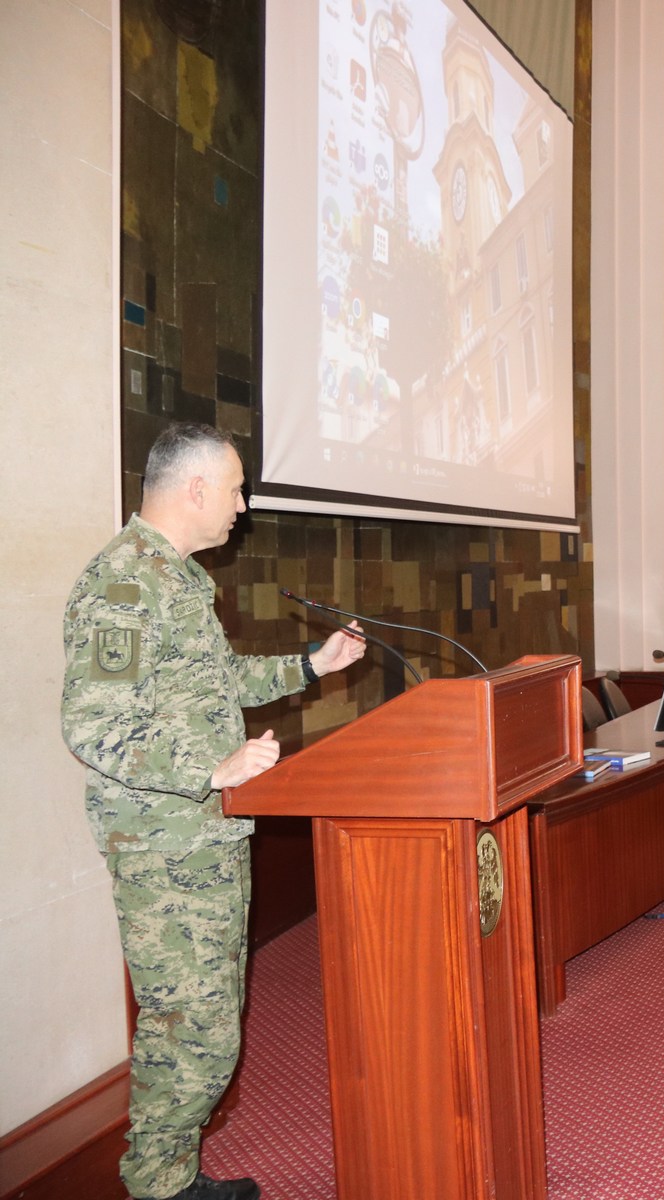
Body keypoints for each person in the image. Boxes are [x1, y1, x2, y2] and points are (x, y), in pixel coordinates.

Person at [61, 424, 367, 1200]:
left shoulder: (176, 578)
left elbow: (214, 680)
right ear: (193, 489)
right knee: (188, 1031)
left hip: (204, 836)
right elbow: (95, 726)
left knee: (206, 1029)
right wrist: (211, 766)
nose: (242, 505)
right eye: (234, 489)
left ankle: (172, 1177)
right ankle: (157, 1187)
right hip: (164, 849)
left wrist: (309, 665)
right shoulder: (125, 584)